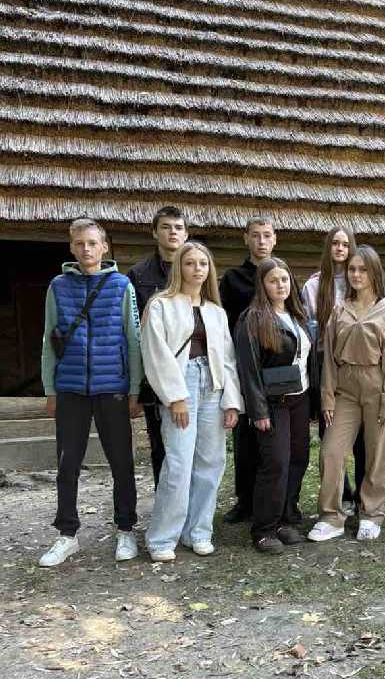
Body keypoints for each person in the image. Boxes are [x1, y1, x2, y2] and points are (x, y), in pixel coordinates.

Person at [39, 218, 143, 568]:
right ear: (71, 247)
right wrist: (50, 389)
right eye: (80, 243)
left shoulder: (121, 285)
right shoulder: (58, 286)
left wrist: (134, 389)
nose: (86, 249)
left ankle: (125, 529)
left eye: (92, 243)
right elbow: (49, 339)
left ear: (104, 247)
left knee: (121, 463)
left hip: (112, 386)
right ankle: (67, 534)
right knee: (67, 464)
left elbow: (133, 339)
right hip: (70, 388)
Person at [141, 241, 242, 562]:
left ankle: (198, 531)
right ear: (179, 267)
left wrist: (231, 401)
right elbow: (155, 353)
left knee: (211, 463)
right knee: (179, 463)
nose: (197, 269)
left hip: (212, 386)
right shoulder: (161, 305)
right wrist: (175, 398)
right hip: (181, 383)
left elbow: (227, 359)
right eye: (190, 263)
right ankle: (162, 538)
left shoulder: (216, 312)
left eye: (203, 263)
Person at [308, 246, 385, 542]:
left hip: (377, 385)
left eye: (363, 269)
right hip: (345, 388)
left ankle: (372, 513)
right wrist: (327, 396)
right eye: (352, 269)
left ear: (374, 272)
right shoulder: (340, 309)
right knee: (331, 452)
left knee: (377, 454)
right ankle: (331, 517)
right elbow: (328, 358)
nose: (356, 274)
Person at [236, 257, 319, 553]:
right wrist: (258, 410)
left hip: (300, 399)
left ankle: (285, 519)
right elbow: (248, 369)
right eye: (273, 281)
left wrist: (315, 402)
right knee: (276, 463)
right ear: (263, 285)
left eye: (284, 279)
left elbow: (308, 361)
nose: (280, 285)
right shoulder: (253, 319)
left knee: (298, 458)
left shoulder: (298, 315)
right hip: (273, 403)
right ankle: (264, 528)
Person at [301, 225, 365, 510]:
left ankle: (363, 494)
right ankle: (342, 493)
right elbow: (308, 326)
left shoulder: (358, 281)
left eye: (345, 244)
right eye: (335, 243)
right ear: (328, 247)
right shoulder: (314, 285)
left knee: (360, 434)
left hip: (356, 363)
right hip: (324, 362)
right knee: (330, 431)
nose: (340, 249)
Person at [219, 217, 277, 523]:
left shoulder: (281, 275)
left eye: (266, 235)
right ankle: (245, 500)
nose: (261, 241)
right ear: (246, 239)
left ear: (274, 239)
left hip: (276, 367)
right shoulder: (232, 279)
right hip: (243, 365)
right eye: (256, 235)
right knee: (245, 437)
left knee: (273, 434)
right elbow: (224, 324)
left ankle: (275, 497)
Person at [128, 206, 189, 487]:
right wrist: (138, 385)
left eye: (178, 228)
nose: (172, 232)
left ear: (186, 234)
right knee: (161, 445)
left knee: (193, 446)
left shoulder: (195, 270)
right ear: (154, 232)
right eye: (166, 227)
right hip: (155, 374)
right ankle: (164, 503)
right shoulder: (138, 275)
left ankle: (190, 505)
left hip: (192, 369)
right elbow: (134, 332)